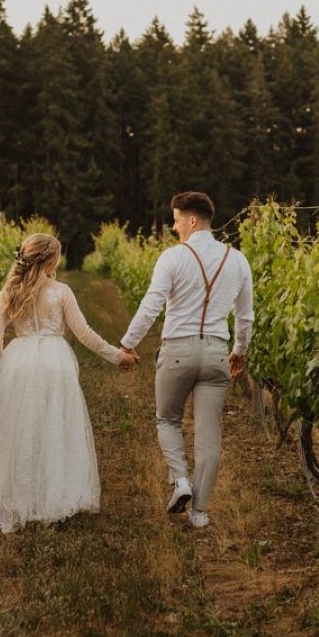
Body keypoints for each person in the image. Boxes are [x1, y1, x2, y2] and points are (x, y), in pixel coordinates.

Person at [0, 233, 140, 533]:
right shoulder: (61, 292)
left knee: (21, 427)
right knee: (54, 426)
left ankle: (20, 495)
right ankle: (52, 496)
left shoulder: (9, 291)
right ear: (50, 260)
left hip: (18, 360)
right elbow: (85, 334)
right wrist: (117, 356)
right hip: (55, 362)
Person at [120, 192, 254, 529]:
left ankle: (180, 480)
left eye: (177, 220)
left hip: (178, 350)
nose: (174, 226)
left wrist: (127, 344)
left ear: (192, 221)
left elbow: (152, 305)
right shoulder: (237, 260)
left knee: (167, 419)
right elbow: (245, 316)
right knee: (209, 436)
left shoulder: (173, 257)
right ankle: (200, 513)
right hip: (216, 352)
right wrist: (240, 350)